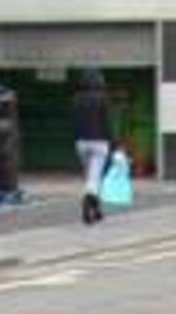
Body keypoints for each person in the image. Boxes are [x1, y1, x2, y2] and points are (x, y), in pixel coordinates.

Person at [70, 69, 115, 226]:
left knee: (90, 176)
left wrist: (76, 140)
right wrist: (113, 142)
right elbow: (107, 122)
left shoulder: (76, 99)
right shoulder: (103, 99)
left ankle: (96, 210)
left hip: (81, 143)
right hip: (99, 142)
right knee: (95, 177)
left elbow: (73, 122)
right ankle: (88, 203)